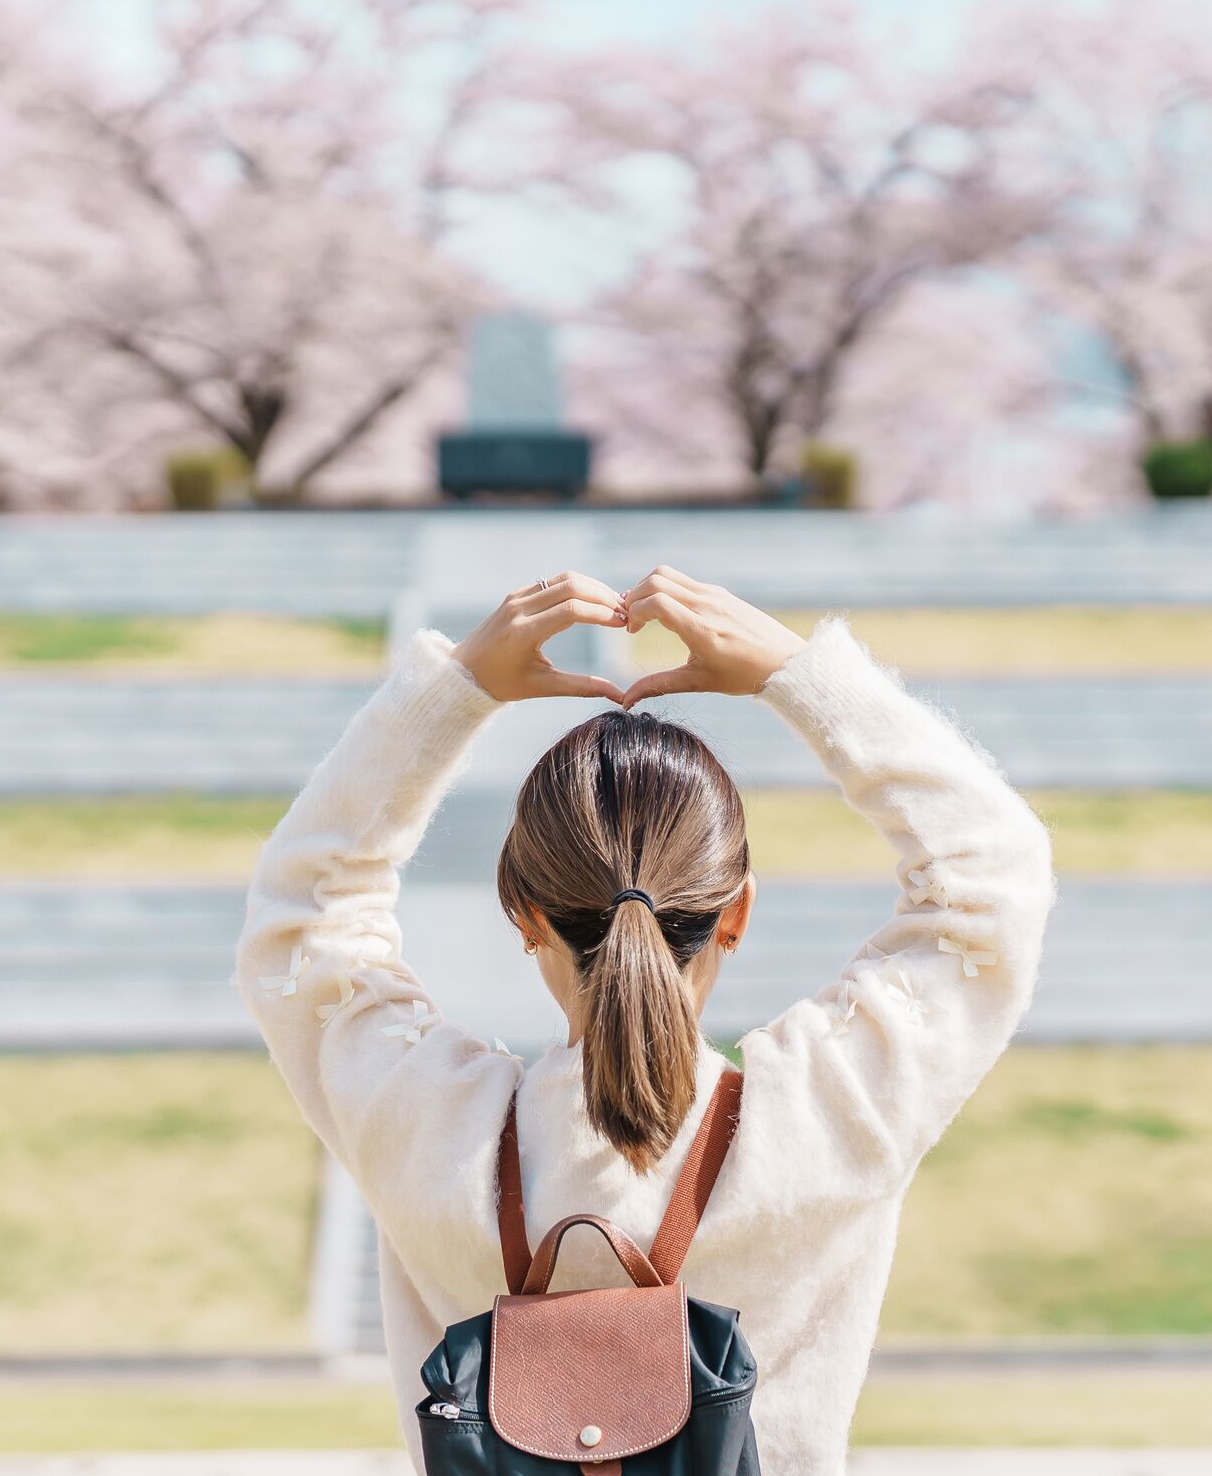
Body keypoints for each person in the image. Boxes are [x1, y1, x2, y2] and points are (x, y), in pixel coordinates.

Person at [239, 567, 1056, 1474]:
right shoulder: (827, 1111)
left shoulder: (424, 1124)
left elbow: (305, 923)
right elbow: (993, 880)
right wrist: (797, 673)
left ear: (525, 916)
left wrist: (458, 687)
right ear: (737, 912)